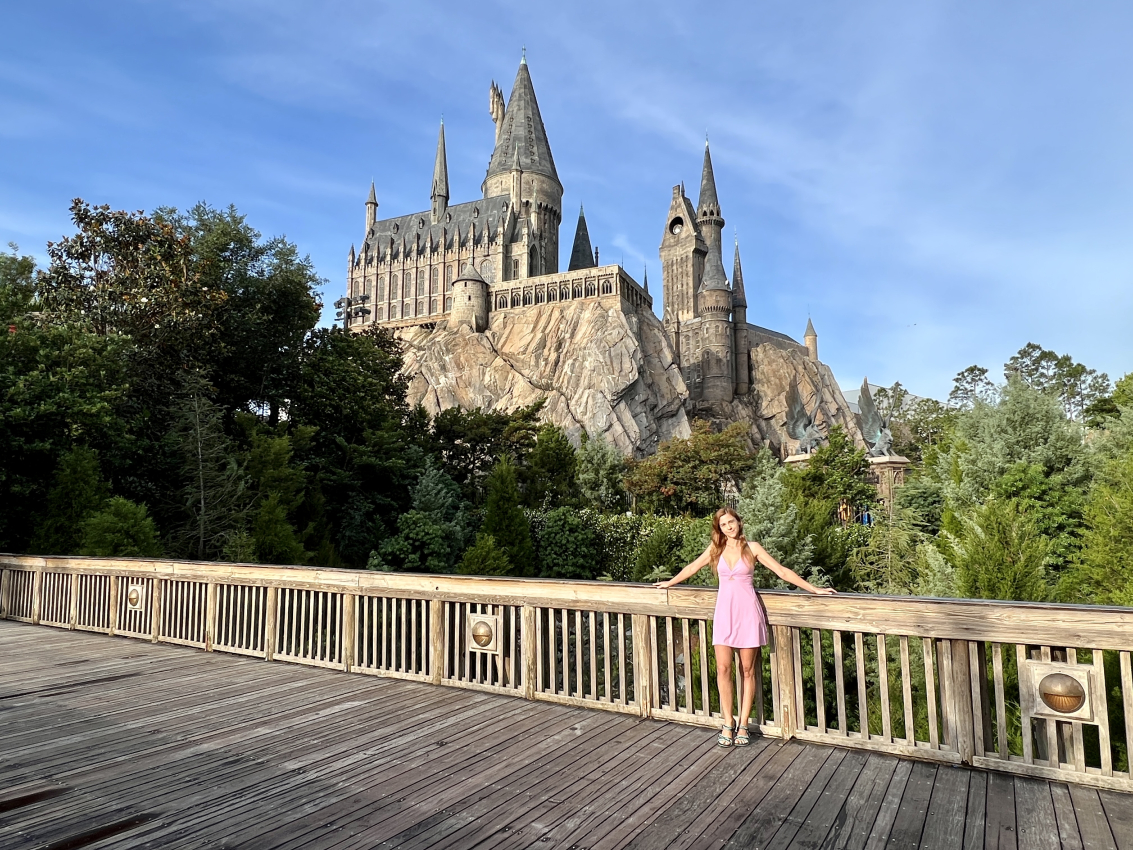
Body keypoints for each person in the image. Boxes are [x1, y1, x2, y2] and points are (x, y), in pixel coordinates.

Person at [654, 507, 835, 747]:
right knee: (723, 668)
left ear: (739, 522)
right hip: (724, 614)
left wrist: (814, 589)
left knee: (747, 670)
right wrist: (670, 582)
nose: (728, 527)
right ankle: (728, 722)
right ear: (719, 529)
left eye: (731, 522)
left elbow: (781, 571)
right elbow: (691, 568)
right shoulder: (715, 549)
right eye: (723, 524)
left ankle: (743, 724)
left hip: (748, 613)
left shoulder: (753, 548)